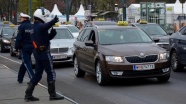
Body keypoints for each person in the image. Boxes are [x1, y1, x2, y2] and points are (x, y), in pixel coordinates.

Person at [24, 7, 64, 101]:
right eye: (45, 16)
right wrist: (53, 21)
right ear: (41, 16)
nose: (46, 18)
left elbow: (43, 39)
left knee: (38, 74)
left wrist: (51, 35)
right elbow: (44, 27)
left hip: (38, 52)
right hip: (44, 53)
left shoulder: (33, 27)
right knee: (51, 73)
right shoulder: (39, 26)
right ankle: (53, 94)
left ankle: (28, 94)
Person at [15, 13, 35, 84]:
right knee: (25, 62)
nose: (20, 19)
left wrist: (16, 47)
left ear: (24, 18)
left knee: (26, 63)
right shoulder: (32, 26)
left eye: (21, 17)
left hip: (25, 47)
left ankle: (33, 78)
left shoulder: (21, 26)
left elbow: (19, 38)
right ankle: (20, 78)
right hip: (32, 46)